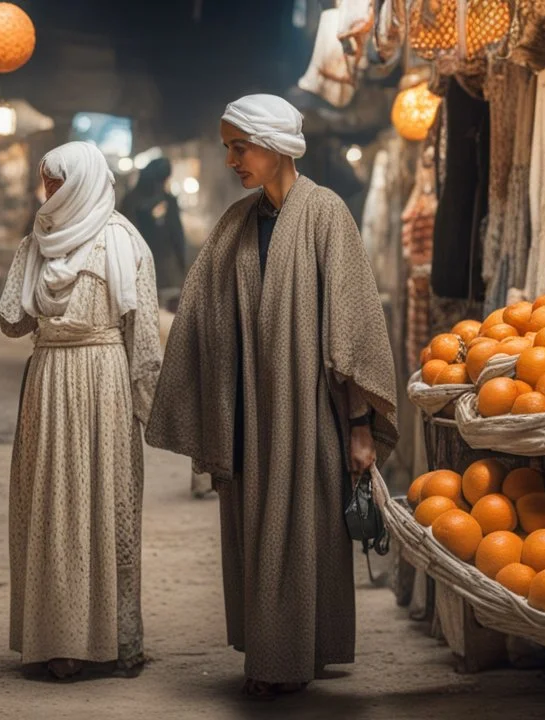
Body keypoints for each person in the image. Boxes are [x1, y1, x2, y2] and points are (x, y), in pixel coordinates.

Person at [145, 94, 399, 699]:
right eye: (227, 146)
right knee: (255, 536)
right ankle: (267, 653)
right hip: (247, 416)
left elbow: (354, 326)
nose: (231, 159)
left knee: (303, 534)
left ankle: (289, 661)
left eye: (241, 146)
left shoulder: (325, 214)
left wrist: (360, 426)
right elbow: (201, 310)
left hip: (306, 412)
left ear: (277, 145)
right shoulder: (237, 221)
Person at [0, 141, 162, 680]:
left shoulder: (123, 241)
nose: (48, 194)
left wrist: (147, 406)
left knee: (106, 505)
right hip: (52, 383)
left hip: (104, 384)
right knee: (54, 509)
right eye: (46, 183)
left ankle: (115, 640)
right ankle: (58, 642)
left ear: (82, 182)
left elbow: (144, 340)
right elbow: (12, 322)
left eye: (57, 184)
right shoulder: (38, 242)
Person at [120, 157, 187, 294]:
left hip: (143, 269)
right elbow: (177, 235)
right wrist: (182, 265)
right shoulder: (165, 201)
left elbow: (177, 234)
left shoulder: (130, 199)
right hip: (144, 268)